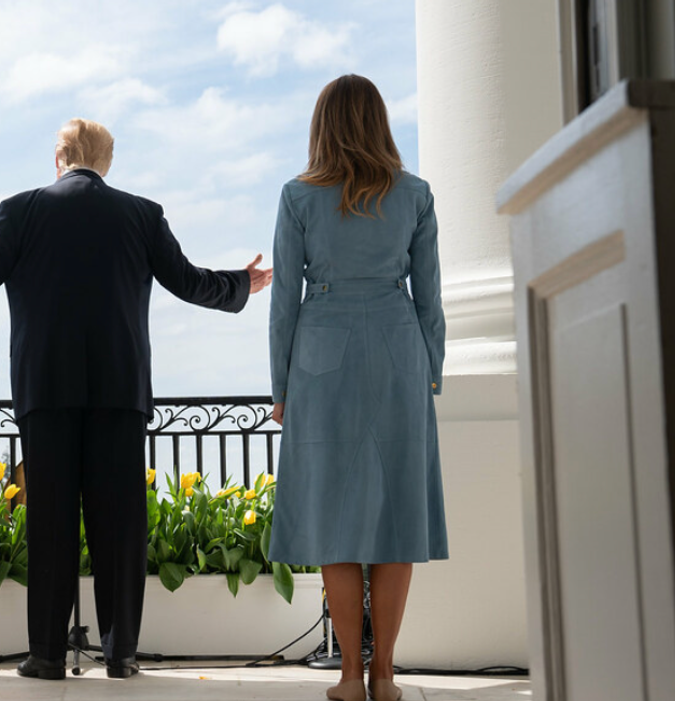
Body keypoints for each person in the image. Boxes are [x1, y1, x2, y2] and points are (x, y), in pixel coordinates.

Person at [0, 118, 272, 680]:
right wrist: (242, 284)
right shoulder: (142, 214)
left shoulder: (21, 209)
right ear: (106, 162)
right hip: (121, 391)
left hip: (45, 388)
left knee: (50, 523)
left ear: (59, 158)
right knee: (120, 526)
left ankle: (47, 656)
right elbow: (190, 281)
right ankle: (121, 654)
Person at [266, 75, 447, 701]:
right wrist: (433, 371)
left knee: (334, 522)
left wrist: (279, 385)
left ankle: (347, 676)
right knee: (398, 519)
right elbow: (430, 296)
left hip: (320, 355)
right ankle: (387, 675)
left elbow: (284, 299)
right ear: (380, 122)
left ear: (323, 124)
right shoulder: (416, 194)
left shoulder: (297, 196)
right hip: (400, 352)